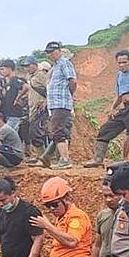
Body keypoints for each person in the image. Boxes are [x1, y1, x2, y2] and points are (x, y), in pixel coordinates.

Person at [84, 50, 129, 167]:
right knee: (106, 129)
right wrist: (112, 108)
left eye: (124, 62)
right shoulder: (119, 75)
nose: (121, 65)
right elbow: (119, 96)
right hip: (126, 107)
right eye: (119, 63)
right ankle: (98, 159)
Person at [42, 41, 77, 169]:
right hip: (56, 103)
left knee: (57, 130)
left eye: (52, 51)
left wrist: (69, 95)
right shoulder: (56, 66)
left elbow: (72, 81)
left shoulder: (64, 63)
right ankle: (61, 158)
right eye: (48, 52)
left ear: (59, 50)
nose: (50, 54)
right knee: (58, 130)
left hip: (61, 102)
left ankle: (65, 159)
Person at [0, 59, 29, 148]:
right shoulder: (7, 83)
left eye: (3, 69)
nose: (1, 71)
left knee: (10, 135)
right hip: (8, 113)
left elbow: (26, 87)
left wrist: (19, 97)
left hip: (14, 113)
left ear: (9, 69)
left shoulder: (15, 80)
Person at [23, 58, 50, 162]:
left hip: (40, 108)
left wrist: (46, 101)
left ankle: (43, 157)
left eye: (28, 66)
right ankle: (40, 156)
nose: (27, 68)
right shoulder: (31, 76)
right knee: (34, 132)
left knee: (36, 132)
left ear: (34, 65)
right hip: (33, 108)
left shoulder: (41, 75)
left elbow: (49, 88)